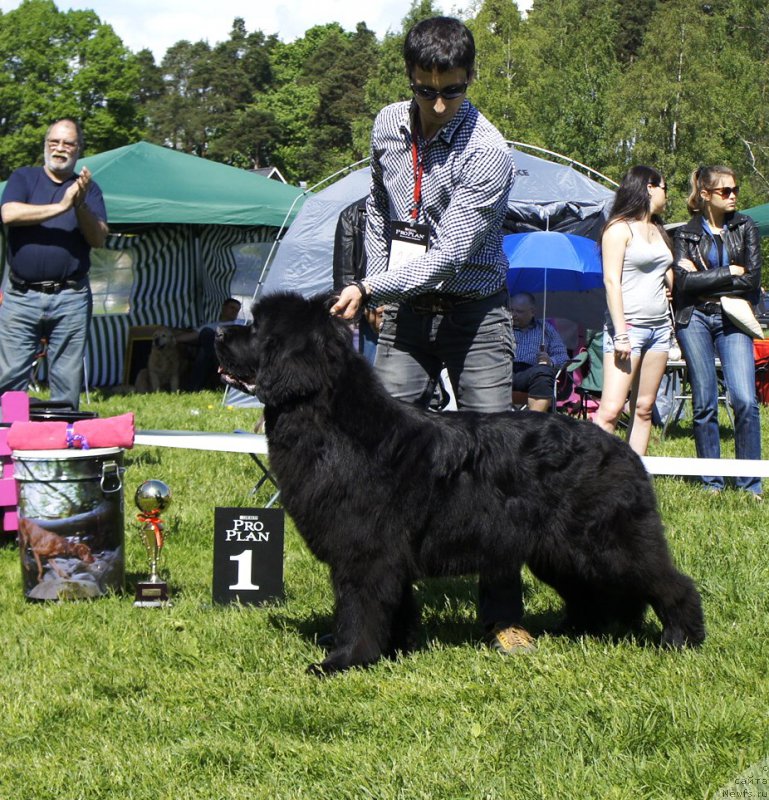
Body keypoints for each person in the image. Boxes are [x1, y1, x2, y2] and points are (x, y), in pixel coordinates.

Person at [330, 17, 530, 655]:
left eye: (452, 90)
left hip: (476, 311)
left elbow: (445, 257)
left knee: (495, 459)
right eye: (426, 90)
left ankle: (502, 615)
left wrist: (373, 289)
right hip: (408, 311)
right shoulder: (388, 125)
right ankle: (390, 604)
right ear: (411, 79)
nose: (439, 104)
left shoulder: (489, 152)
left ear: (470, 79)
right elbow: (380, 212)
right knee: (385, 454)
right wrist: (379, 280)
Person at [0, 118, 108, 411]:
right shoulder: (24, 178)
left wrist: (79, 204)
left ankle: (61, 450)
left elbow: (98, 239)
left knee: (66, 378)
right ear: (45, 146)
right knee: (10, 377)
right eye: (54, 142)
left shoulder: (89, 190)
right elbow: (8, 214)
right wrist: (61, 206)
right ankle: (7, 447)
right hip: (21, 296)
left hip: (71, 296)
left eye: (68, 143)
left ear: (78, 150)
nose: (60, 149)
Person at [673, 165, 762, 498]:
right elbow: (684, 283)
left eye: (735, 189)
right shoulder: (685, 233)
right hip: (694, 317)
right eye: (726, 191)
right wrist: (729, 270)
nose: (734, 196)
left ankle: (750, 484)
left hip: (733, 317)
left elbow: (751, 280)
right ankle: (712, 483)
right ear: (706, 194)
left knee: (745, 399)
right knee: (705, 402)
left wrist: (705, 277)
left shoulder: (746, 226)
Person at [593, 165, 674, 456]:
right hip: (629, 330)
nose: (667, 195)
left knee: (643, 408)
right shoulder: (618, 229)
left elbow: (664, 268)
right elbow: (611, 282)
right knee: (611, 410)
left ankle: (635, 477)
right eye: (664, 188)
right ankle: (591, 477)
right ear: (649, 187)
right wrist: (622, 334)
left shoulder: (657, 229)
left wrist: (669, 285)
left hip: (659, 330)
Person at [332, 198, 380, 363]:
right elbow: (344, 276)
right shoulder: (352, 214)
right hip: (372, 315)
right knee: (376, 378)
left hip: (418, 307)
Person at [509, 292, 569, 412]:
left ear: (532, 312)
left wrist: (550, 361)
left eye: (519, 312)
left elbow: (563, 357)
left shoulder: (545, 329)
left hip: (532, 373)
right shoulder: (502, 328)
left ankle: (534, 423)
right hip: (505, 372)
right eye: (511, 310)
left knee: (544, 371)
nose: (513, 315)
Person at [176, 297, 242, 390]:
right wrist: (171, 339)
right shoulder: (211, 325)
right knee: (206, 334)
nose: (234, 311)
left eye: (237, 310)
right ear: (223, 308)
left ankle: (193, 388)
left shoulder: (240, 324)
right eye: (232, 308)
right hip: (215, 355)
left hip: (230, 354)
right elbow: (191, 336)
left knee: (204, 350)